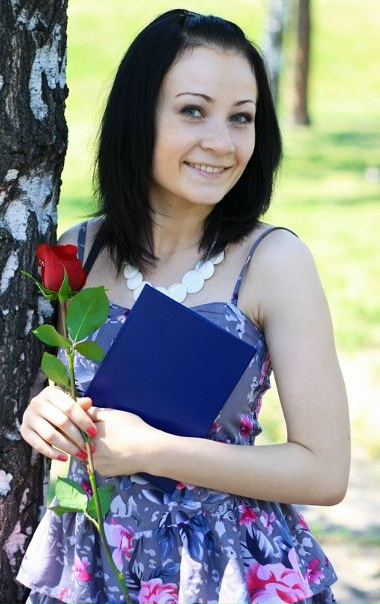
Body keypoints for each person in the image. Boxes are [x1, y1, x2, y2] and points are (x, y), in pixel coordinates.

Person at [17, 9, 350, 604]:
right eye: (193, 111)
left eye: (241, 117)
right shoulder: (81, 252)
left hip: (225, 572)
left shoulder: (273, 262)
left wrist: (156, 451)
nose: (221, 143)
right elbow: (70, 401)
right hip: (95, 568)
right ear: (138, 116)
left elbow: (324, 470)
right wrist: (46, 413)